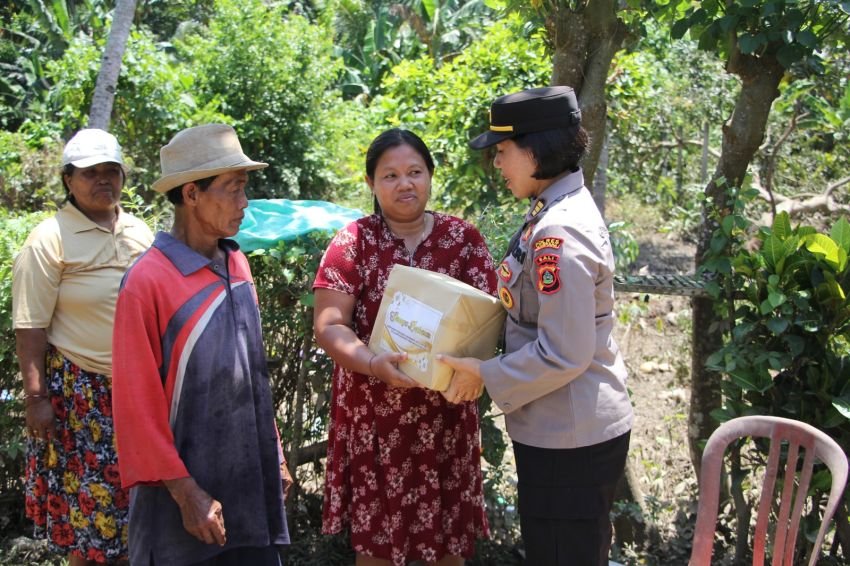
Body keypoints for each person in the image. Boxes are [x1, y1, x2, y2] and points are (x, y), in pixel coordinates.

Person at [438, 86, 634, 566]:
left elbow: (564, 352)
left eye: (503, 152)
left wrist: (482, 374)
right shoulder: (548, 211)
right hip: (561, 425)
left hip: (570, 436)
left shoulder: (558, 231)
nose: (498, 165)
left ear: (536, 149)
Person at [312, 128, 496, 566]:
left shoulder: (464, 240)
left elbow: (492, 320)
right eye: (390, 175)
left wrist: (476, 370)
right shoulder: (352, 242)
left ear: (431, 176)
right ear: (372, 184)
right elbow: (329, 325)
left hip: (445, 416)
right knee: (376, 546)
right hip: (375, 416)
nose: (404, 183)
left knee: (448, 543)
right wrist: (373, 363)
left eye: (414, 171)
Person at [111, 124, 290, 566]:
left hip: (246, 489)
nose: (244, 202)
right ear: (191, 194)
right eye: (233, 189)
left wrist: (276, 453)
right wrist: (185, 491)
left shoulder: (236, 263)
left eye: (243, 188)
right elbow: (136, 406)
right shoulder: (147, 281)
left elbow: (252, 375)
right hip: (182, 504)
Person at [12, 128, 154, 565]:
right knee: (88, 525)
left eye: (111, 171)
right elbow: (30, 327)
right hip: (79, 396)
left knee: (140, 514)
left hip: (138, 389)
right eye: (90, 173)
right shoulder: (49, 239)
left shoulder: (138, 231)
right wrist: (36, 398)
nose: (103, 180)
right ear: (68, 180)